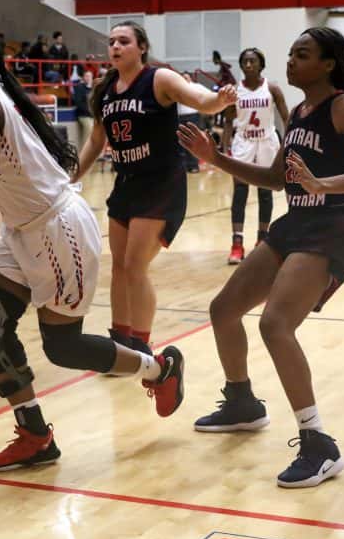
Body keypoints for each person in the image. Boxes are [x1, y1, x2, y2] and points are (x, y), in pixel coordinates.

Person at [0, 23, 189, 471]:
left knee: (62, 347)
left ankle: (158, 369)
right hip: (22, 229)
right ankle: (34, 435)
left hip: (56, 230)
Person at [178, 27, 344, 488]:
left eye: (302, 54)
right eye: (291, 53)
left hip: (333, 226)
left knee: (275, 324)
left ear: (328, 64)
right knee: (223, 309)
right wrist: (216, 158)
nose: (291, 60)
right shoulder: (299, 113)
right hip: (297, 221)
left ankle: (318, 443)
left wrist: (324, 184)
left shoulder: (343, 108)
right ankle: (242, 403)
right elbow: (277, 179)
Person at [73, 21, 236, 354]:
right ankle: (120, 343)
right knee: (119, 266)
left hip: (161, 183)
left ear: (142, 47)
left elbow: (200, 99)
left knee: (135, 265)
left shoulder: (159, 79)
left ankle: (142, 346)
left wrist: (218, 100)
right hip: (126, 183)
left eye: (124, 41)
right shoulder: (105, 89)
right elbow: (96, 140)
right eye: (112, 42)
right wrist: (71, 177)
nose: (115, 47)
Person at [223, 48, 290, 264]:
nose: (249, 65)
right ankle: (237, 244)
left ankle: (262, 240)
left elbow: (287, 118)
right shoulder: (235, 91)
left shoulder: (272, 88)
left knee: (265, 191)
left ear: (261, 64)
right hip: (243, 141)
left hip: (267, 141)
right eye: (245, 61)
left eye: (253, 61)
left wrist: (290, 142)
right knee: (240, 191)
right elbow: (228, 121)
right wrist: (224, 148)